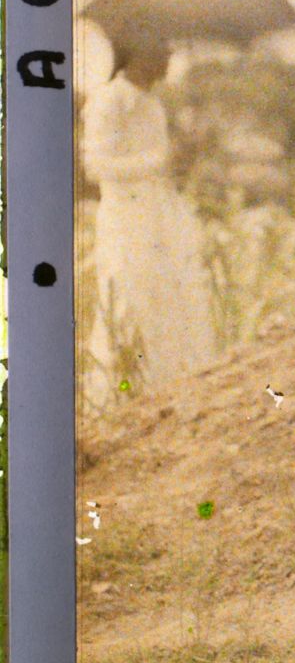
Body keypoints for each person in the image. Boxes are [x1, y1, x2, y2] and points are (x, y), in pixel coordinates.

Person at [81, 28, 219, 406]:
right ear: (139, 53)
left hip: (158, 214)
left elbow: (163, 167)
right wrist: (157, 161)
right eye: (163, 51)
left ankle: (164, 389)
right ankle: (120, 393)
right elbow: (95, 165)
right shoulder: (108, 100)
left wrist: (183, 154)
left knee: (166, 296)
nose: (168, 61)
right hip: (126, 217)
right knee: (129, 294)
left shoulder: (153, 105)